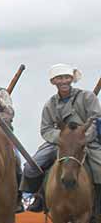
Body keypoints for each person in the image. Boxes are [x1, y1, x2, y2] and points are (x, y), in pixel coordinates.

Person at [20, 64, 101, 212]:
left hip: (86, 141)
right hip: (59, 143)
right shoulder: (50, 104)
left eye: (66, 77)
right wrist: (63, 138)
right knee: (32, 167)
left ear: (72, 79)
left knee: (99, 167)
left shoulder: (88, 97)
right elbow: (46, 129)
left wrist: (82, 138)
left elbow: (95, 121)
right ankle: (38, 198)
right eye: (59, 78)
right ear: (53, 81)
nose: (63, 81)